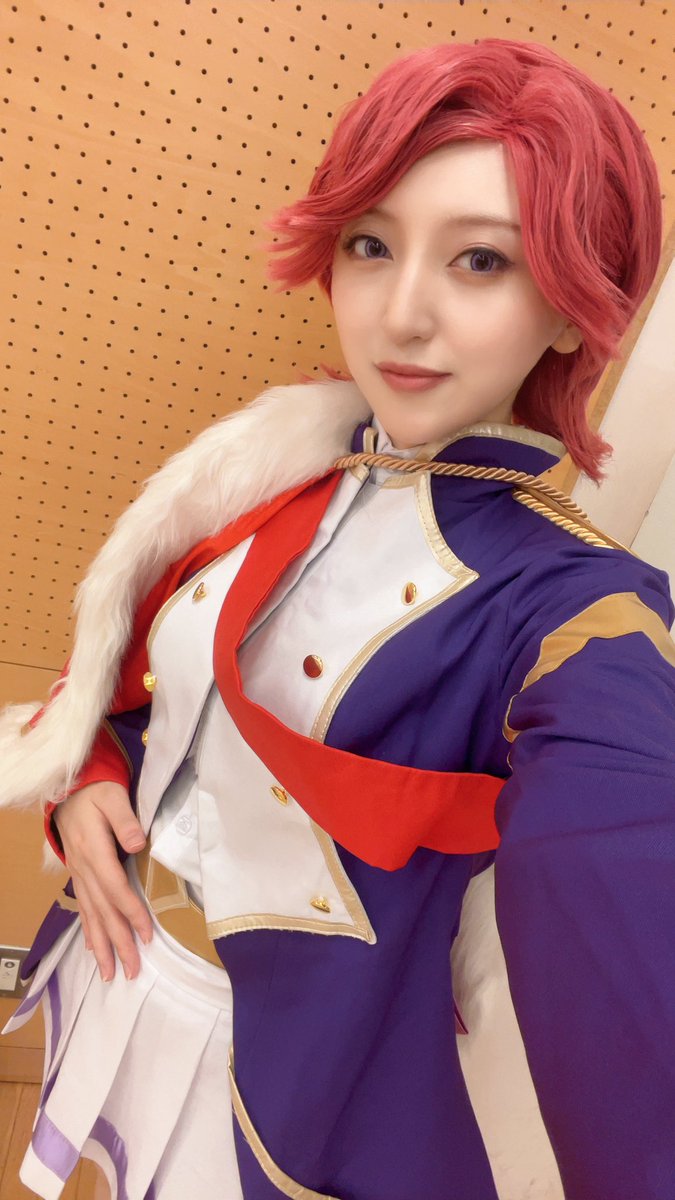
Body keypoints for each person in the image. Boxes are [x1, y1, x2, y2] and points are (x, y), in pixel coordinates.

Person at [2, 36, 674, 1200]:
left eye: (479, 261)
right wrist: (87, 777)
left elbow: (624, 871)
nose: (400, 315)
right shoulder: (268, 468)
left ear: (574, 310)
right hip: (119, 970)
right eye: (372, 244)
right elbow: (138, 677)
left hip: (290, 1092)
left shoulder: (576, 610)